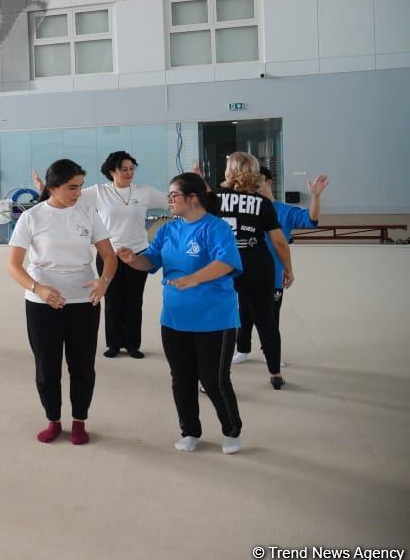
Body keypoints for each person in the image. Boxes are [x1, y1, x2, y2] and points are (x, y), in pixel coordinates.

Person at [117, 173, 245, 454]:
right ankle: (190, 431)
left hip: (214, 319)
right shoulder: (167, 230)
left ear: (193, 198)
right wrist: (133, 260)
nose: (169, 201)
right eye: (169, 196)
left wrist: (194, 278)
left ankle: (231, 430)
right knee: (182, 378)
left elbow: (226, 262)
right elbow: (150, 261)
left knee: (213, 380)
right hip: (175, 318)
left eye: (174, 196)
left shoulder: (216, 228)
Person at [7, 160, 116, 445]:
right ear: (53, 187)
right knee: (47, 366)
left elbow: (110, 255)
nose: (78, 193)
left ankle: (79, 420)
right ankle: (53, 420)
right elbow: (14, 266)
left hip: (84, 301)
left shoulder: (89, 214)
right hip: (43, 304)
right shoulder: (32, 217)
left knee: (82, 365)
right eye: (71, 187)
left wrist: (103, 281)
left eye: (80, 186)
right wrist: (38, 288)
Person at [36, 151, 169, 359]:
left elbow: (170, 202)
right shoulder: (98, 192)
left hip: (138, 254)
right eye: (123, 169)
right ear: (111, 171)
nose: (129, 172)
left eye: (131, 169)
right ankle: (114, 343)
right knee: (112, 300)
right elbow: (65, 195)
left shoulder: (144, 192)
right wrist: (43, 189)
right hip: (109, 254)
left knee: (134, 301)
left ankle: (133, 344)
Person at [215, 152, 295, 390]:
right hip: (257, 264)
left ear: (229, 171)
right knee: (266, 320)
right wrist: (288, 268)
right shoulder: (264, 204)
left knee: (222, 319)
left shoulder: (214, 200)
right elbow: (279, 242)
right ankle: (275, 373)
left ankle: (218, 375)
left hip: (224, 264)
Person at [249, 168, 328, 366]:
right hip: (247, 273)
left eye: (258, 181)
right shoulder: (249, 211)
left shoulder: (284, 211)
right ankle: (242, 349)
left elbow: (311, 219)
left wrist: (315, 197)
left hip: (273, 274)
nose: (255, 186)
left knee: (271, 318)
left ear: (269, 182)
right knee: (242, 315)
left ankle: (271, 353)